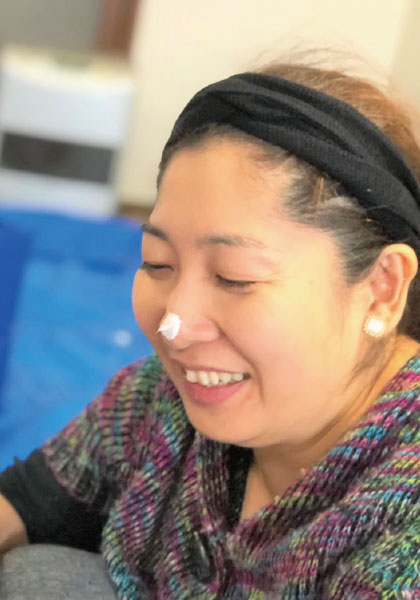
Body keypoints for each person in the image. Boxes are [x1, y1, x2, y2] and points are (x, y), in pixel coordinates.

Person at [0, 54, 419, 600]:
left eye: (233, 277)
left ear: (382, 288)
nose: (174, 327)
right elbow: (23, 503)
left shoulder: (402, 530)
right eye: (158, 264)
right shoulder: (163, 403)